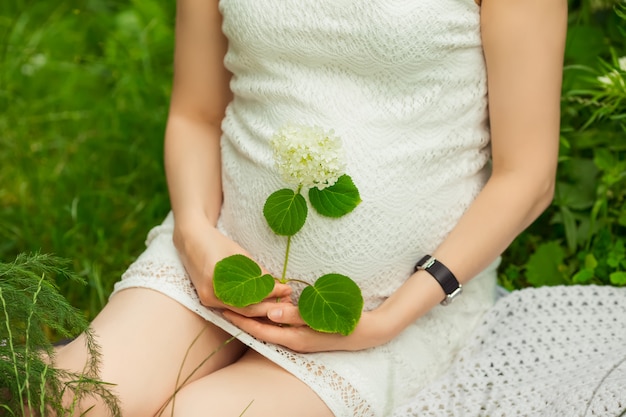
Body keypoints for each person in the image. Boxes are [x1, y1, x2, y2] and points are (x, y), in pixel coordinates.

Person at [54, 0, 567, 415]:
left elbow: (528, 176)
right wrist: (193, 234)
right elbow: (196, 112)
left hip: (395, 308)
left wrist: (389, 321)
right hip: (217, 257)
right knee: (72, 402)